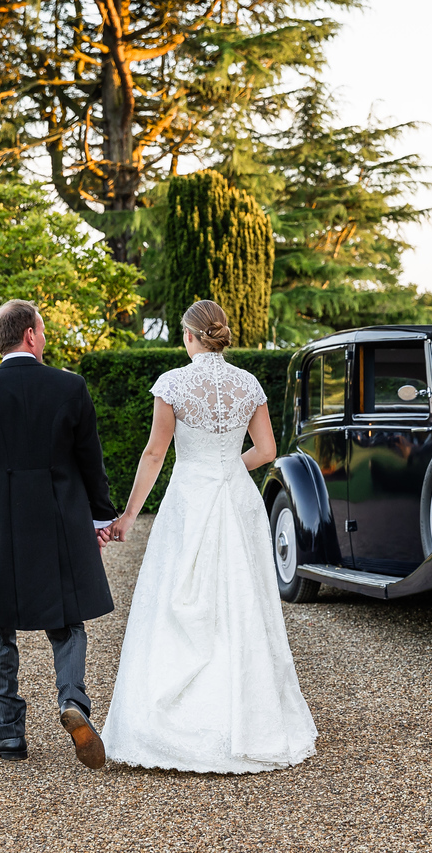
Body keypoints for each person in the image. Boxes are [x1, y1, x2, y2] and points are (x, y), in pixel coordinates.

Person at [101, 300, 317, 773]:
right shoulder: (249, 383)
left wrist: (129, 516)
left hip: (190, 498)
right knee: (242, 598)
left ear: (189, 336)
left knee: (179, 595)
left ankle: (174, 722)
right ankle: (252, 716)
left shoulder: (173, 384)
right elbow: (266, 449)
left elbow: (155, 454)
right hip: (236, 497)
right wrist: (227, 470)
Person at [0, 299, 116, 770]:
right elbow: (91, 460)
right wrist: (100, 517)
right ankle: (73, 700)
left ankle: (8, 734)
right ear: (31, 336)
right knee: (67, 620)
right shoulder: (69, 386)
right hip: (61, 522)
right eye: (43, 330)